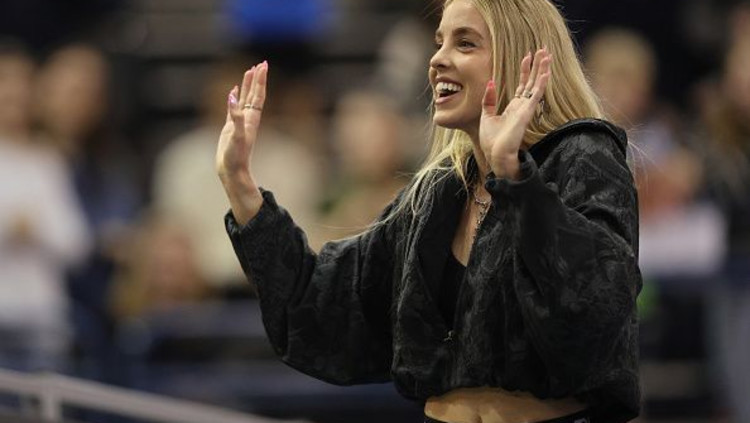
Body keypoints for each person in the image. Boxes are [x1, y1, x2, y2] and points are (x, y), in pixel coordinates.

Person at [217, 0, 642, 422]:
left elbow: (597, 306)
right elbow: (323, 306)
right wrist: (242, 187)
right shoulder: (437, 193)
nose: (437, 59)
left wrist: (514, 177)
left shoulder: (582, 156)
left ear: (519, 59)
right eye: (439, 42)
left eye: (465, 43)